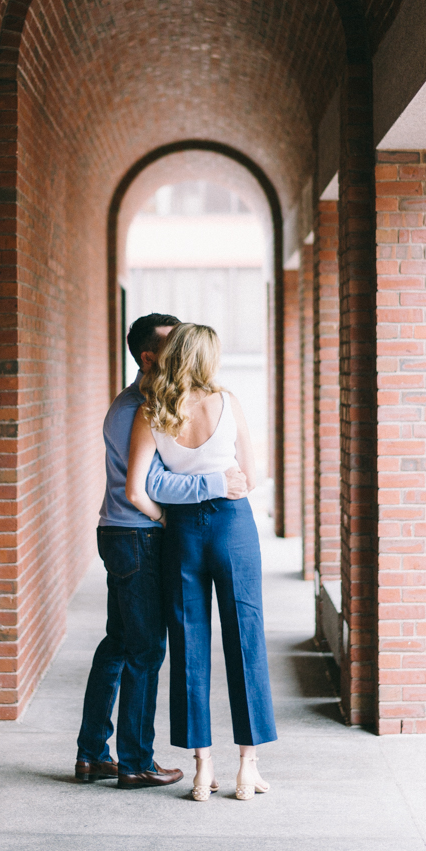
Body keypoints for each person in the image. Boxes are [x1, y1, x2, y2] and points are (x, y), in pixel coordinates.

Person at [75, 314, 250, 790]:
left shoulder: (136, 402)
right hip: (137, 535)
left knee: (119, 644)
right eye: (174, 350)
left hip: (120, 533)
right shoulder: (142, 408)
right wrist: (175, 513)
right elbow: (147, 485)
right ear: (151, 358)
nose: (183, 359)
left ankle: (92, 753)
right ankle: (135, 761)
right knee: (147, 651)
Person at [125, 322, 277, 802]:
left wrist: (168, 517)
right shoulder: (226, 402)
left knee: (189, 641)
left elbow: (142, 488)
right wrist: (221, 480)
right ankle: (246, 768)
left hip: (183, 532)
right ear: (206, 359)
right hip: (232, 526)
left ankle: (201, 769)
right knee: (245, 635)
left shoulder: (152, 411)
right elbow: (250, 477)